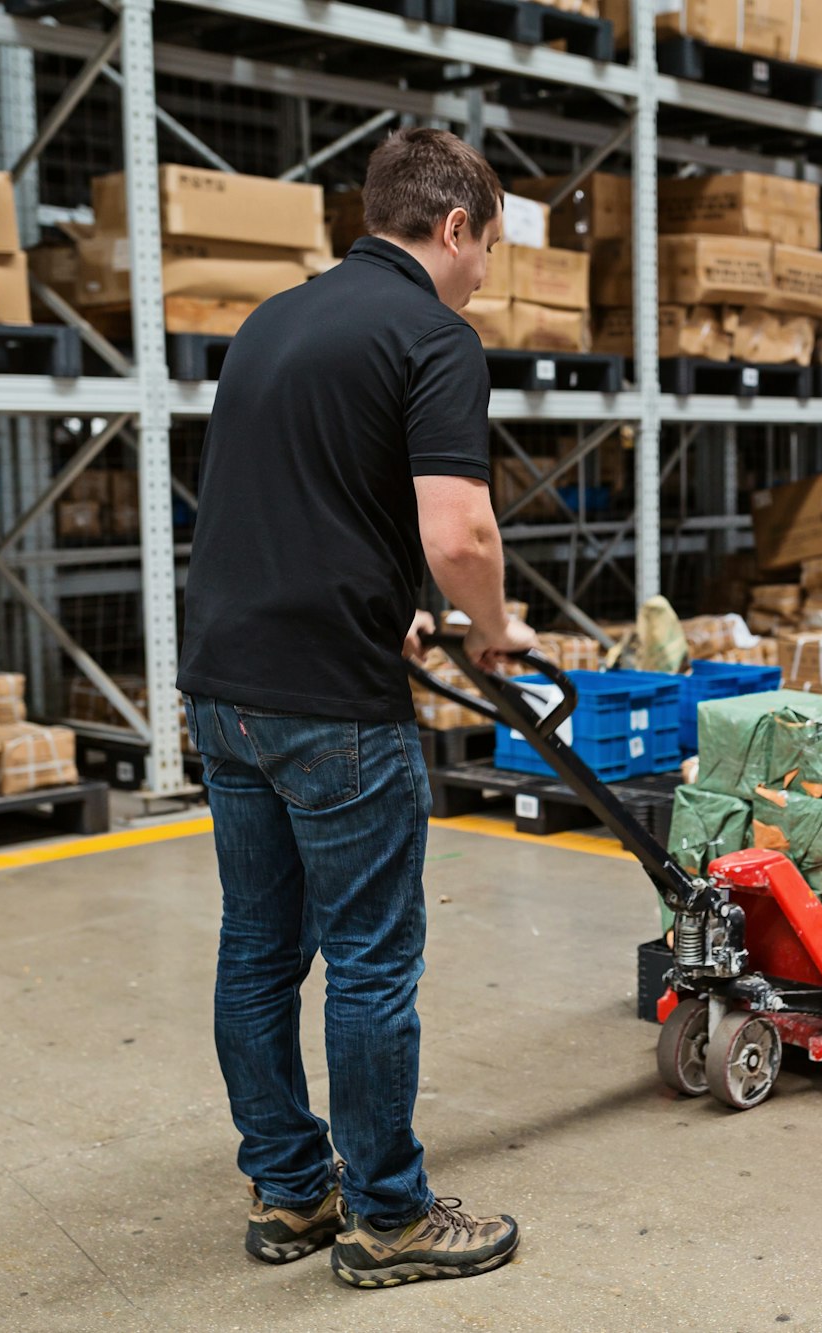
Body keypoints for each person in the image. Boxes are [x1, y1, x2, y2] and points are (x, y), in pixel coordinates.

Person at [178, 126, 535, 1290]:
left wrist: (390, 603)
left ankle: (289, 1191)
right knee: (373, 963)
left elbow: (299, 495)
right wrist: (489, 624)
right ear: (450, 227)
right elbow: (458, 531)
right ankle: (387, 1214)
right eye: (487, 246)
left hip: (225, 688)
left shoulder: (272, 320)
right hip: (331, 706)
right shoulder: (434, 334)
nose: (485, 270)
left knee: (257, 950)